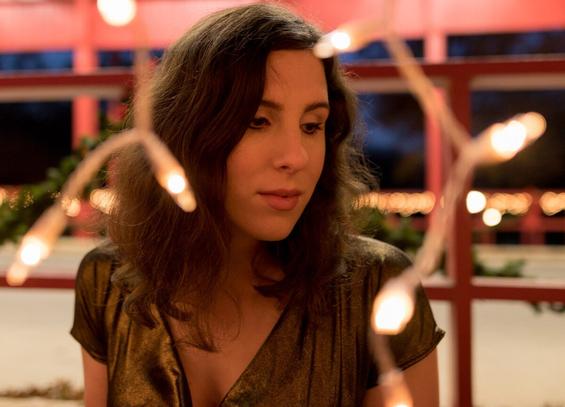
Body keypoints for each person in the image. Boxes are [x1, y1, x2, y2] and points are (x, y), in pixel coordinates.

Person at [71, 3, 444, 406]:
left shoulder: (376, 288)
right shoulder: (108, 281)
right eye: (258, 121)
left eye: (312, 126)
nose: (296, 157)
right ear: (187, 131)